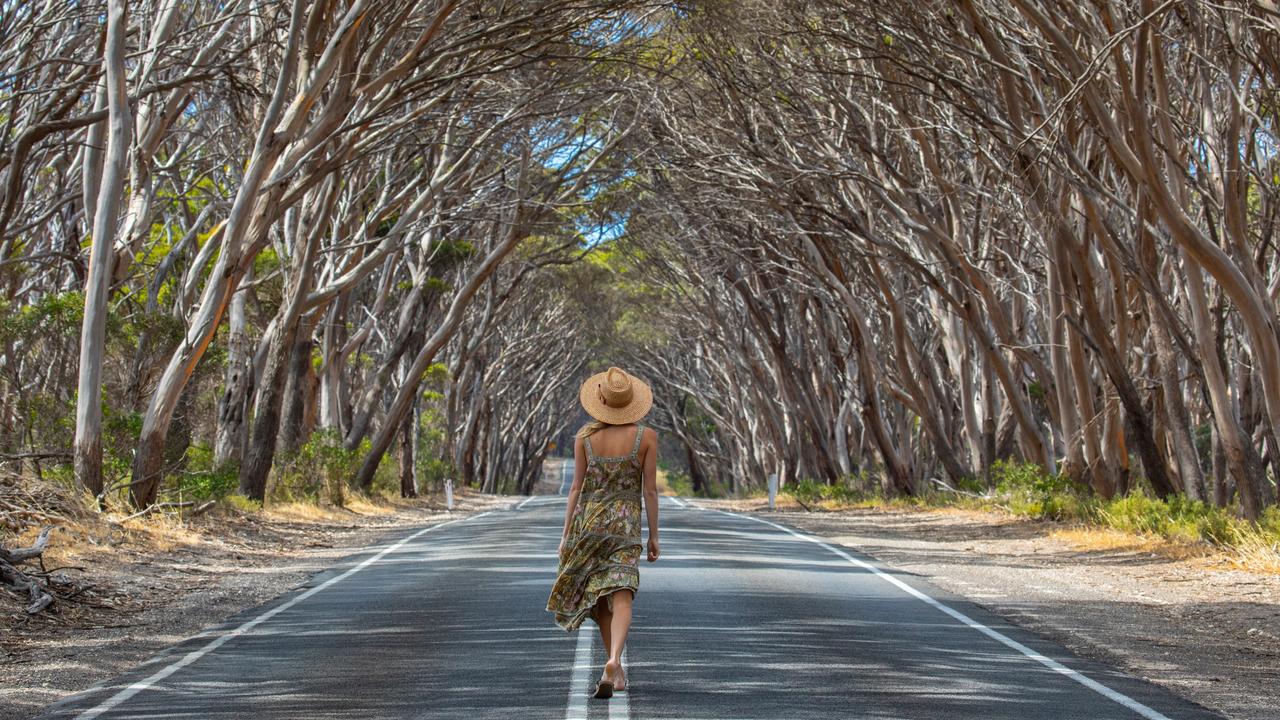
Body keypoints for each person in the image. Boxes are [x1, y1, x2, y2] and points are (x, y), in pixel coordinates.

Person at [546, 366, 660, 699]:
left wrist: (566, 534)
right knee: (622, 594)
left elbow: (576, 488)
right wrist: (654, 535)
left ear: (601, 401)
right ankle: (613, 662)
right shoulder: (646, 438)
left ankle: (616, 669)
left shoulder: (584, 437)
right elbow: (650, 491)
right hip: (625, 527)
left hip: (589, 525)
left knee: (600, 600)